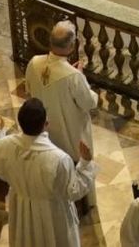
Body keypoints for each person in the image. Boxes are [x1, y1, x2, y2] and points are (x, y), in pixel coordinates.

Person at [0, 97, 97, 244]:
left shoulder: (5, 146)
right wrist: (85, 163)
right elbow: (73, 191)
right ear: (46, 124)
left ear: (21, 123)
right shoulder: (59, 159)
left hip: (22, 210)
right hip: (52, 214)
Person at [25, 21, 97, 202]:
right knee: (76, 171)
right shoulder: (73, 76)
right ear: (72, 46)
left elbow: (29, 89)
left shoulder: (34, 63)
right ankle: (82, 203)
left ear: (50, 43)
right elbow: (89, 103)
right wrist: (81, 78)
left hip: (43, 134)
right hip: (69, 137)